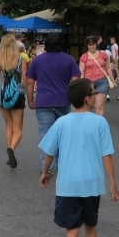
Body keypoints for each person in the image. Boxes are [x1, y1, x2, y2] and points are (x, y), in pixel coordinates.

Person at [39, 79, 119, 237]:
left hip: (68, 186)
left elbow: (49, 152)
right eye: (93, 93)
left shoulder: (62, 123)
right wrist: (112, 183)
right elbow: (106, 155)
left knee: (72, 230)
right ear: (87, 98)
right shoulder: (99, 122)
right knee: (91, 226)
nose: (95, 96)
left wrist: (45, 172)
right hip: (92, 184)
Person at [26, 33, 81, 172]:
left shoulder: (37, 60)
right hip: (63, 100)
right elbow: (76, 81)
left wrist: (30, 99)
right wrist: (76, 101)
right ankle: (63, 164)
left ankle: (46, 166)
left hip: (43, 101)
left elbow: (29, 81)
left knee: (46, 133)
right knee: (63, 134)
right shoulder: (68, 60)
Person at [0, 34, 28, 168]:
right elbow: (25, 78)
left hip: (2, 94)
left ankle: (9, 152)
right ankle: (11, 149)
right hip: (17, 95)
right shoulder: (21, 59)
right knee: (18, 130)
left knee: (9, 126)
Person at [79, 37, 114, 113]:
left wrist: (113, 80)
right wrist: (81, 83)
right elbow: (81, 71)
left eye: (93, 44)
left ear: (96, 44)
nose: (92, 46)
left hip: (102, 81)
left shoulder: (103, 54)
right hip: (88, 83)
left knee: (99, 105)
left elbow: (108, 68)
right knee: (89, 105)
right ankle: (90, 123)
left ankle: (99, 124)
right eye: (90, 45)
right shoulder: (84, 57)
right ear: (87, 46)